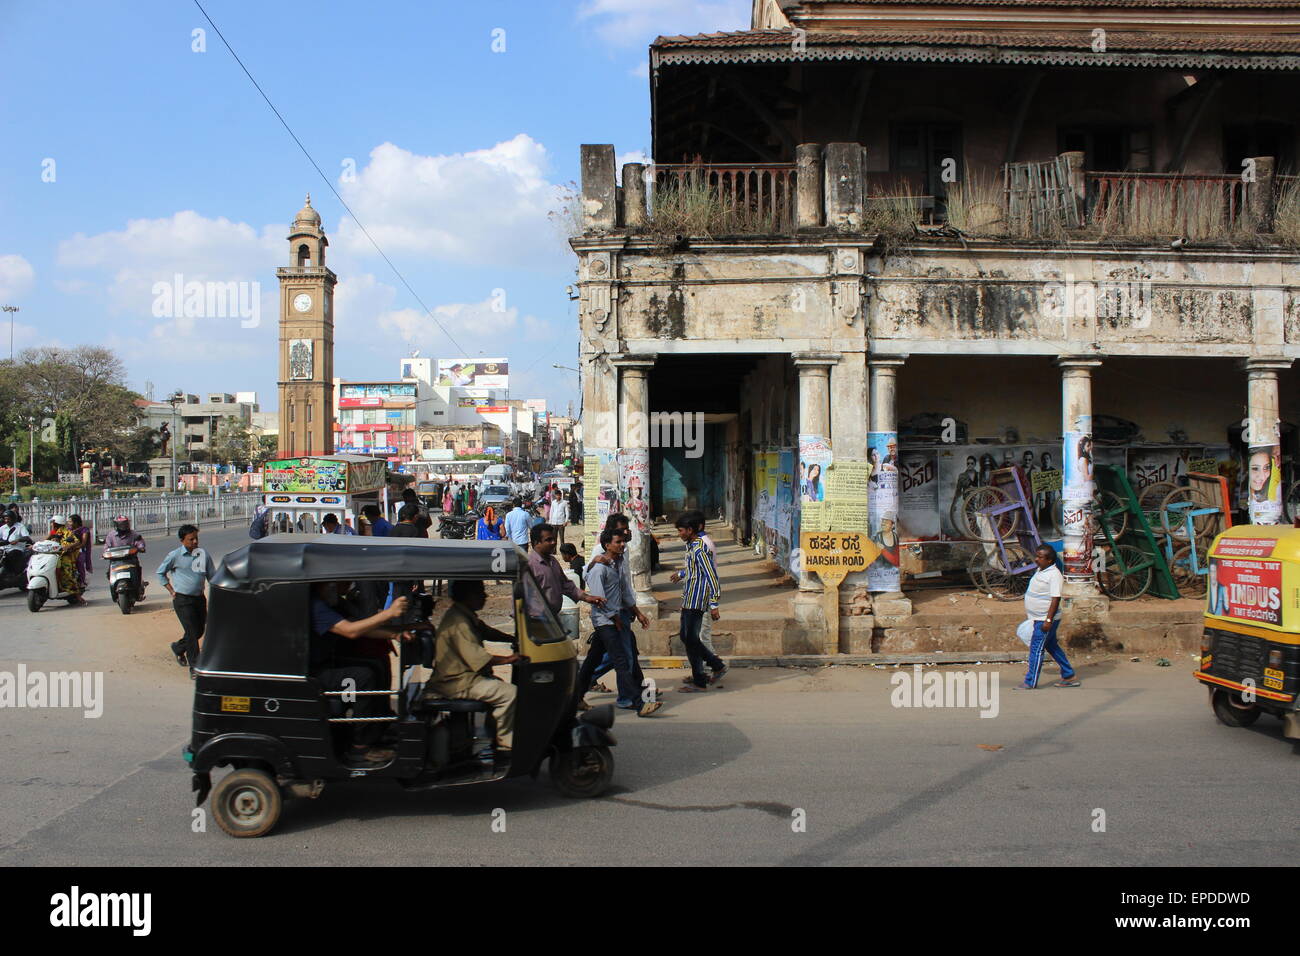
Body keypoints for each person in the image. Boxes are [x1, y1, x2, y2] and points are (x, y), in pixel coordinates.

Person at [310, 583, 413, 765]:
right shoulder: (317, 606)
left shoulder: (332, 604)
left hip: (329, 663)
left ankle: (380, 727)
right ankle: (360, 746)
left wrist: (395, 634)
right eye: (332, 584)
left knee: (376, 665)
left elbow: (363, 628)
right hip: (315, 673)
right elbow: (350, 631)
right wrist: (388, 613)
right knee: (362, 677)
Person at [425, 580, 523, 757]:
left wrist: (513, 639)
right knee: (510, 693)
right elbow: (479, 659)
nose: (485, 596)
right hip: (456, 682)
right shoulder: (459, 622)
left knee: (498, 686)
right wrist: (510, 659)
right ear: (467, 596)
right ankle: (505, 745)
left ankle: (494, 735)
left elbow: (486, 631)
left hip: (464, 678)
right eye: (480, 593)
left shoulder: (465, 615)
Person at [575, 529, 660, 716]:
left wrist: (637, 612)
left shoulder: (617, 564)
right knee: (621, 661)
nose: (622, 544)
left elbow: (624, 592)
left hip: (615, 618)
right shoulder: (598, 569)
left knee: (592, 661)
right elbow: (599, 599)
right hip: (606, 621)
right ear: (607, 545)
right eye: (618, 542)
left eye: (624, 541)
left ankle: (575, 697)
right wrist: (615, 619)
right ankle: (639, 703)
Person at [671, 512, 725, 691]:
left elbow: (711, 575)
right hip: (689, 597)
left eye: (681, 530)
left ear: (690, 530)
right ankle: (712, 667)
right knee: (687, 637)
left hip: (697, 599)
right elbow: (695, 570)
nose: (679, 534)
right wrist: (681, 574)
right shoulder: (692, 547)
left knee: (691, 638)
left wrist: (714, 603)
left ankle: (703, 677)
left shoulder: (701, 548)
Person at [1014, 544, 1080, 690]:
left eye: (1040, 557)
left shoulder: (1054, 575)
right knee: (1051, 646)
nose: (1036, 559)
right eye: (1036, 556)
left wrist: (1048, 620)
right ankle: (1069, 675)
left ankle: (1030, 681)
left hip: (1044, 620)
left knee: (1036, 649)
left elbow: (1055, 599)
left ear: (1049, 560)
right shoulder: (1041, 570)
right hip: (1036, 618)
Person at [157, 524, 216, 674]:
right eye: (191, 539)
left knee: (198, 631)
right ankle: (195, 666)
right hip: (182, 600)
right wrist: (171, 590)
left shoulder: (203, 555)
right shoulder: (174, 555)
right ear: (182, 540)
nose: (195, 542)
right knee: (191, 632)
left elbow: (212, 576)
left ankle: (178, 647)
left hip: (199, 598)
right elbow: (160, 573)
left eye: (196, 538)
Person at [526, 523, 604, 618]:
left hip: (552, 619)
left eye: (554, 539)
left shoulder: (553, 562)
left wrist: (587, 598)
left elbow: (566, 585)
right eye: (548, 540)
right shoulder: (529, 565)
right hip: (536, 621)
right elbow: (520, 597)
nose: (553, 542)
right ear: (536, 543)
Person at [104, 515, 148, 600]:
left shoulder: (133, 534)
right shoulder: (111, 535)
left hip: (130, 559)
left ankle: (139, 586)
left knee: (137, 570)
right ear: (116, 525)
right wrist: (105, 553)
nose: (124, 526)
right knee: (108, 573)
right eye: (121, 524)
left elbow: (139, 542)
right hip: (115, 561)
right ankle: (114, 588)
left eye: (125, 524)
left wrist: (140, 547)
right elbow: (107, 547)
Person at [46, 516, 87, 605]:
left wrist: (68, 546)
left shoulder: (67, 532)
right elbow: (45, 540)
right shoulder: (53, 532)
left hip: (65, 555)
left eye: (53, 522)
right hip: (53, 556)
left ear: (57, 523)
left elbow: (77, 542)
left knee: (67, 574)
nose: (51, 524)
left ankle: (77, 596)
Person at [68, 514, 92, 590]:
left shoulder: (84, 530)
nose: (69, 523)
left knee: (79, 561)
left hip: (80, 550)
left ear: (76, 522)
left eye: (70, 522)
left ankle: (82, 580)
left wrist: (74, 548)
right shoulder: (68, 530)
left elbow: (83, 543)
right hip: (69, 550)